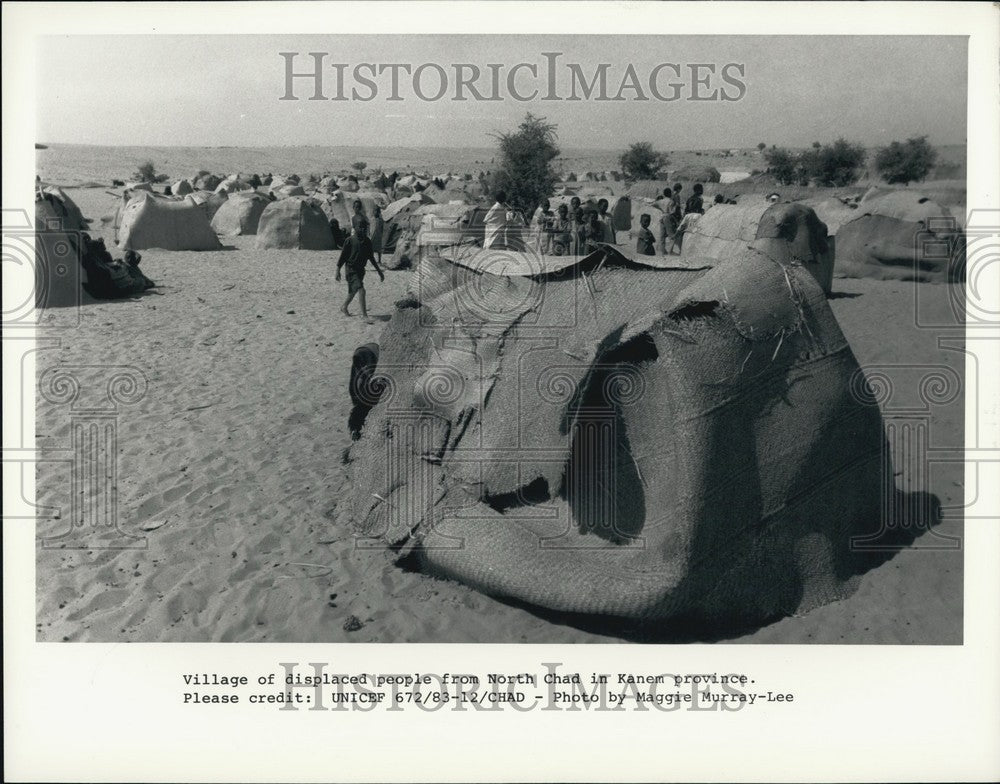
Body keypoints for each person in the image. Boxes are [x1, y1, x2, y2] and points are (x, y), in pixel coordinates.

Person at [336, 218, 384, 324]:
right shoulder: (349, 240)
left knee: (353, 291)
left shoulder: (367, 242)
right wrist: (338, 270)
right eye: (360, 227)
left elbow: (371, 258)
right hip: (351, 269)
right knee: (361, 290)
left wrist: (379, 271)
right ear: (355, 228)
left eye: (364, 227)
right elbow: (343, 256)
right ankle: (364, 316)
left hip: (360, 270)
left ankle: (344, 307)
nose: (362, 229)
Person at [662, 183, 684, 255]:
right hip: (675, 215)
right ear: (678, 189)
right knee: (674, 233)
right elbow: (676, 206)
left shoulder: (672, 195)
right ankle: (670, 250)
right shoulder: (676, 196)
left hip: (671, 215)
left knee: (666, 234)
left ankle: (664, 249)